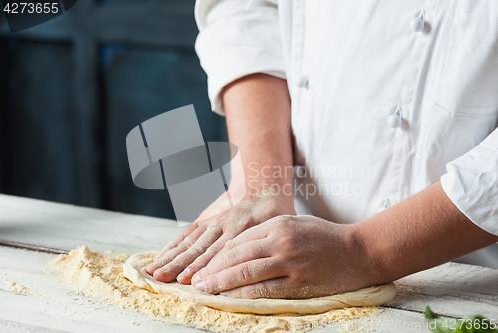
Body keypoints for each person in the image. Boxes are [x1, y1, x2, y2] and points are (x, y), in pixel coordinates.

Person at [146, 0, 498, 299]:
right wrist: (260, 185)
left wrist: (363, 250)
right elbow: (246, 9)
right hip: (289, 241)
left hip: (469, 279)